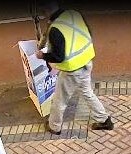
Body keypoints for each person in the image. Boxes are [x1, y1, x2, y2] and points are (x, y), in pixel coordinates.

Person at [36, 0, 113, 135]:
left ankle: (54, 126)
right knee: (87, 92)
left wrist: (42, 55)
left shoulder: (55, 29)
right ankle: (104, 120)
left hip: (72, 70)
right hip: (86, 61)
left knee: (60, 100)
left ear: (45, 11)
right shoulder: (74, 14)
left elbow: (59, 57)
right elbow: (86, 33)